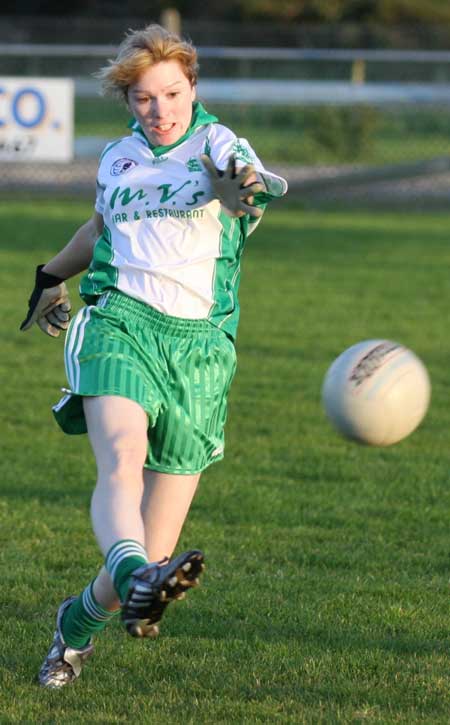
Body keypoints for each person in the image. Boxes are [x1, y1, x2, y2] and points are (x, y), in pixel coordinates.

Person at [21, 23, 288, 689]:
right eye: (143, 98)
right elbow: (100, 226)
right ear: (129, 101)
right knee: (122, 456)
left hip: (200, 349)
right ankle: (138, 576)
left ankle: (74, 628)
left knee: (147, 559)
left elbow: (247, 185)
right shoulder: (118, 158)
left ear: (192, 87)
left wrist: (240, 189)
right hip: (121, 324)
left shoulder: (220, 144)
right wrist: (51, 274)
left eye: (171, 93)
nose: (160, 109)